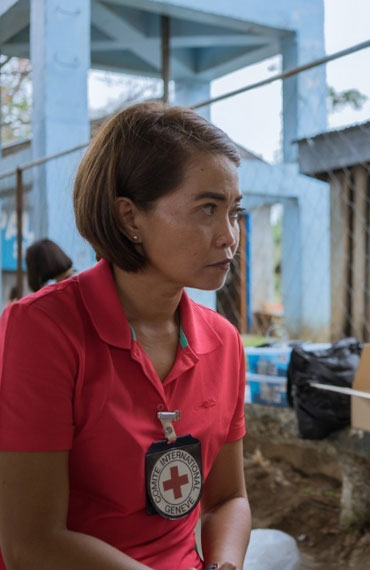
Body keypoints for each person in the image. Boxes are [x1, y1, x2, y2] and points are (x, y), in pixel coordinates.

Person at [0, 102, 251, 569]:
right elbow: (31, 543)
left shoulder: (224, 341)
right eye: (207, 209)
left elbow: (227, 499)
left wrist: (224, 565)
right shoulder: (43, 330)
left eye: (234, 211)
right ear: (130, 218)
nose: (229, 236)